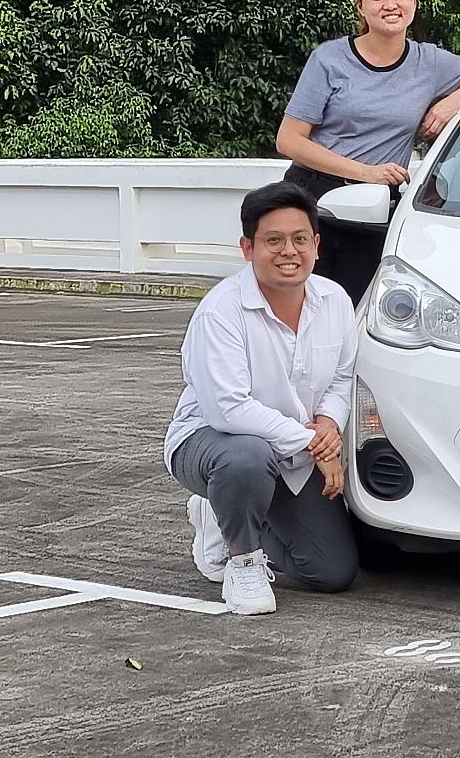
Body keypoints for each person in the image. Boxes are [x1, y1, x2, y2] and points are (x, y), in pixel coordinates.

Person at [163, 183, 359, 615]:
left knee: (331, 572)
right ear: (247, 248)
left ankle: (224, 511)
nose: (289, 251)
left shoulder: (336, 301)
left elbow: (342, 377)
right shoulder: (221, 311)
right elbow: (227, 409)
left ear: (316, 245)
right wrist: (313, 443)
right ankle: (243, 559)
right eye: (273, 240)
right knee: (245, 458)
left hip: (294, 445)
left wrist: (328, 424)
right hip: (212, 442)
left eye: (299, 239)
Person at [275, 0, 460, 303]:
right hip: (311, 198)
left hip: (375, 208)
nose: (390, 4)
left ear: (414, 2)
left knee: (352, 312)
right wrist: (365, 171)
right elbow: (288, 140)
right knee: (292, 309)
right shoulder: (329, 60)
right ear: (360, 7)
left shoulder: (430, 62)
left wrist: (448, 104)